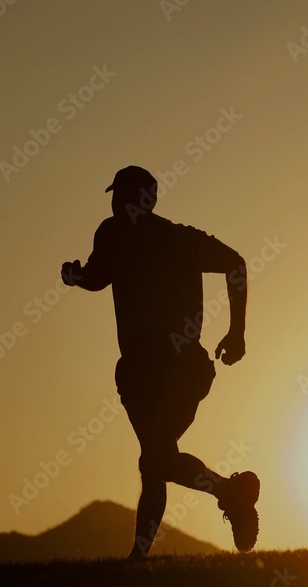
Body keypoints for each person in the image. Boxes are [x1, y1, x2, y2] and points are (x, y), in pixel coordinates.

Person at [61, 165, 259, 558]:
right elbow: (235, 263)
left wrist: (75, 276)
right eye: (115, 196)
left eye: (121, 196)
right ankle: (143, 556)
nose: (116, 203)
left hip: (158, 368)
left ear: (138, 200)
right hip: (170, 368)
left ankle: (224, 494)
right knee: (156, 458)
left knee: (156, 457)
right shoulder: (178, 238)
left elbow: (97, 277)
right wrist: (236, 332)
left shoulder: (115, 232)